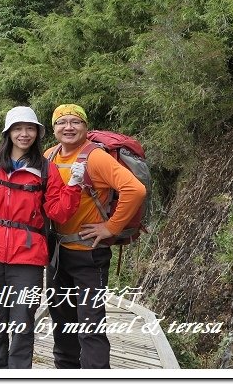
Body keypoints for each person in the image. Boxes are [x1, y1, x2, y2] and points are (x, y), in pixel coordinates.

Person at [0, 106, 83, 369]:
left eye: (30, 129)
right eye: (18, 128)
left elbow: (57, 213)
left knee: (23, 319)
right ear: (9, 133)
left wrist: (73, 187)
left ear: (37, 133)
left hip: (27, 254)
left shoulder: (47, 170)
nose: (24, 134)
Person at [44, 103, 147, 369]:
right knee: (62, 321)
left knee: (90, 325)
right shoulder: (49, 156)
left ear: (85, 127)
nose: (68, 127)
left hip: (89, 254)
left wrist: (111, 228)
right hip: (57, 253)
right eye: (62, 122)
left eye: (75, 122)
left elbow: (134, 190)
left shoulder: (96, 157)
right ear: (54, 128)